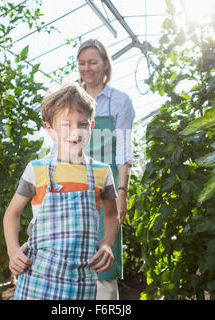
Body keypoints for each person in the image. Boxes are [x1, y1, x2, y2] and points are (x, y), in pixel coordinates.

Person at [3, 82, 120, 300]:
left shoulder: (101, 173)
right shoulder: (36, 170)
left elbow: (112, 215)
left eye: (82, 124)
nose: (75, 132)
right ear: (50, 129)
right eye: (66, 125)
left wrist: (107, 244)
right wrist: (13, 251)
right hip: (37, 278)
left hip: (80, 282)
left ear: (91, 127)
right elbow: (12, 213)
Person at [77, 39, 135, 300]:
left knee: (103, 265)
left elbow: (123, 152)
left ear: (104, 65)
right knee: (73, 257)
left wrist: (122, 192)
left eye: (92, 62)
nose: (87, 68)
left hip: (105, 188)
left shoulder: (120, 102)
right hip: (74, 184)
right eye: (82, 63)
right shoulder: (72, 98)